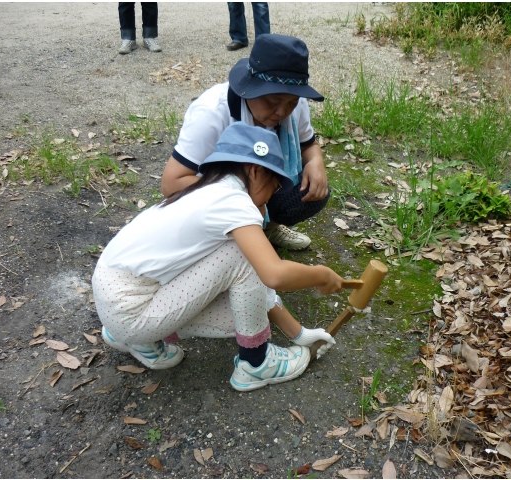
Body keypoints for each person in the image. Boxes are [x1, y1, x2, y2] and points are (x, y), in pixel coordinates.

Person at [93, 122, 341, 392]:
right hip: (131, 310)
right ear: (256, 171)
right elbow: (273, 274)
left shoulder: (203, 191)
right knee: (244, 257)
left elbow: (258, 290)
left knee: (244, 306)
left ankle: (136, 339)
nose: (273, 195)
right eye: (276, 184)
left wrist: (299, 334)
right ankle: (256, 364)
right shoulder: (234, 202)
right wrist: (322, 274)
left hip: (114, 297)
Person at [161, 34, 328, 251]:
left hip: (256, 186)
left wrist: (315, 162)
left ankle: (267, 229)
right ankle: (230, 240)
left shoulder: (296, 106)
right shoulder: (212, 113)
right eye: (273, 101)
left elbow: (309, 145)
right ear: (249, 88)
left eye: (292, 102)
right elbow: (171, 184)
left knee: (312, 192)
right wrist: (241, 193)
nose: (282, 112)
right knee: (233, 254)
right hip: (215, 196)